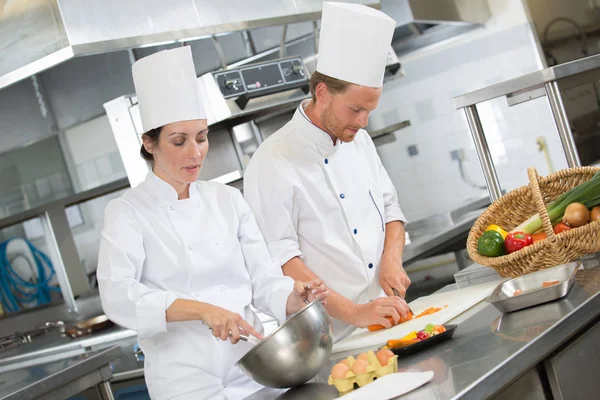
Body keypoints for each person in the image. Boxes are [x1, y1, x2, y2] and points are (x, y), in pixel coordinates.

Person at [96, 46, 329, 400]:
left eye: (202, 137)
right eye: (179, 141)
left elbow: (263, 280)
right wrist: (202, 310)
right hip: (186, 387)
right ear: (149, 143)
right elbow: (117, 296)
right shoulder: (127, 212)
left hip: (254, 374)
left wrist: (293, 297)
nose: (195, 152)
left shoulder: (227, 200)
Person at [243, 2, 410, 343]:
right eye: (355, 109)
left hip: (388, 315)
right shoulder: (272, 161)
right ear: (322, 92)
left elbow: (391, 210)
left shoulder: (360, 142)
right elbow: (284, 262)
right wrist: (354, 312)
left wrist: (391, 259)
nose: (363, 122)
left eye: (370, 110)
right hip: (332, 337)